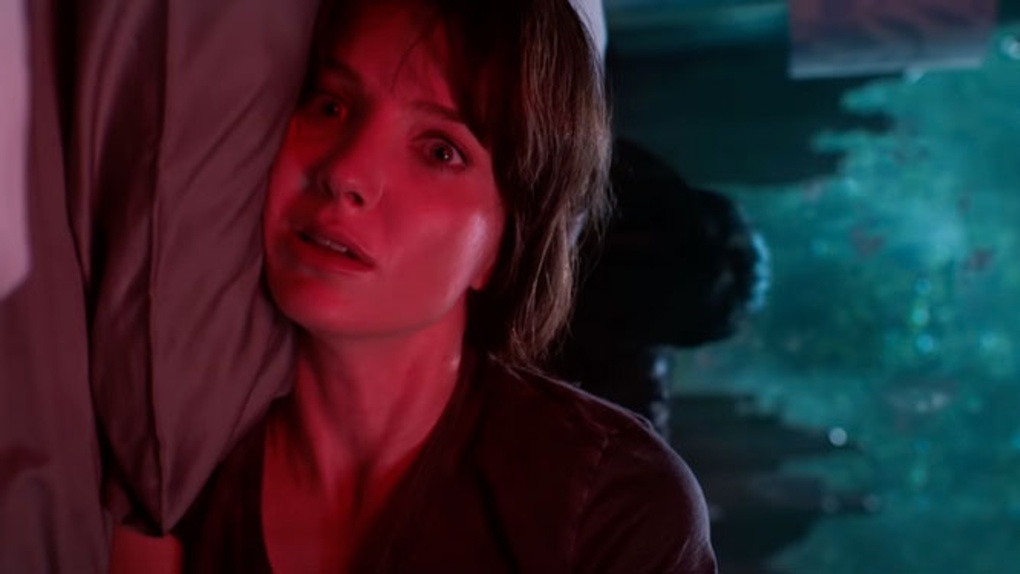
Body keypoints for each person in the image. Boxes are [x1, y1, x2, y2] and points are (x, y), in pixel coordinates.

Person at [111, 0, 717, 571]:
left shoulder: (608, 508)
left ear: (504, 246)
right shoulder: (169, 433)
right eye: (331, 106)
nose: (345, 172)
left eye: (440, 151)